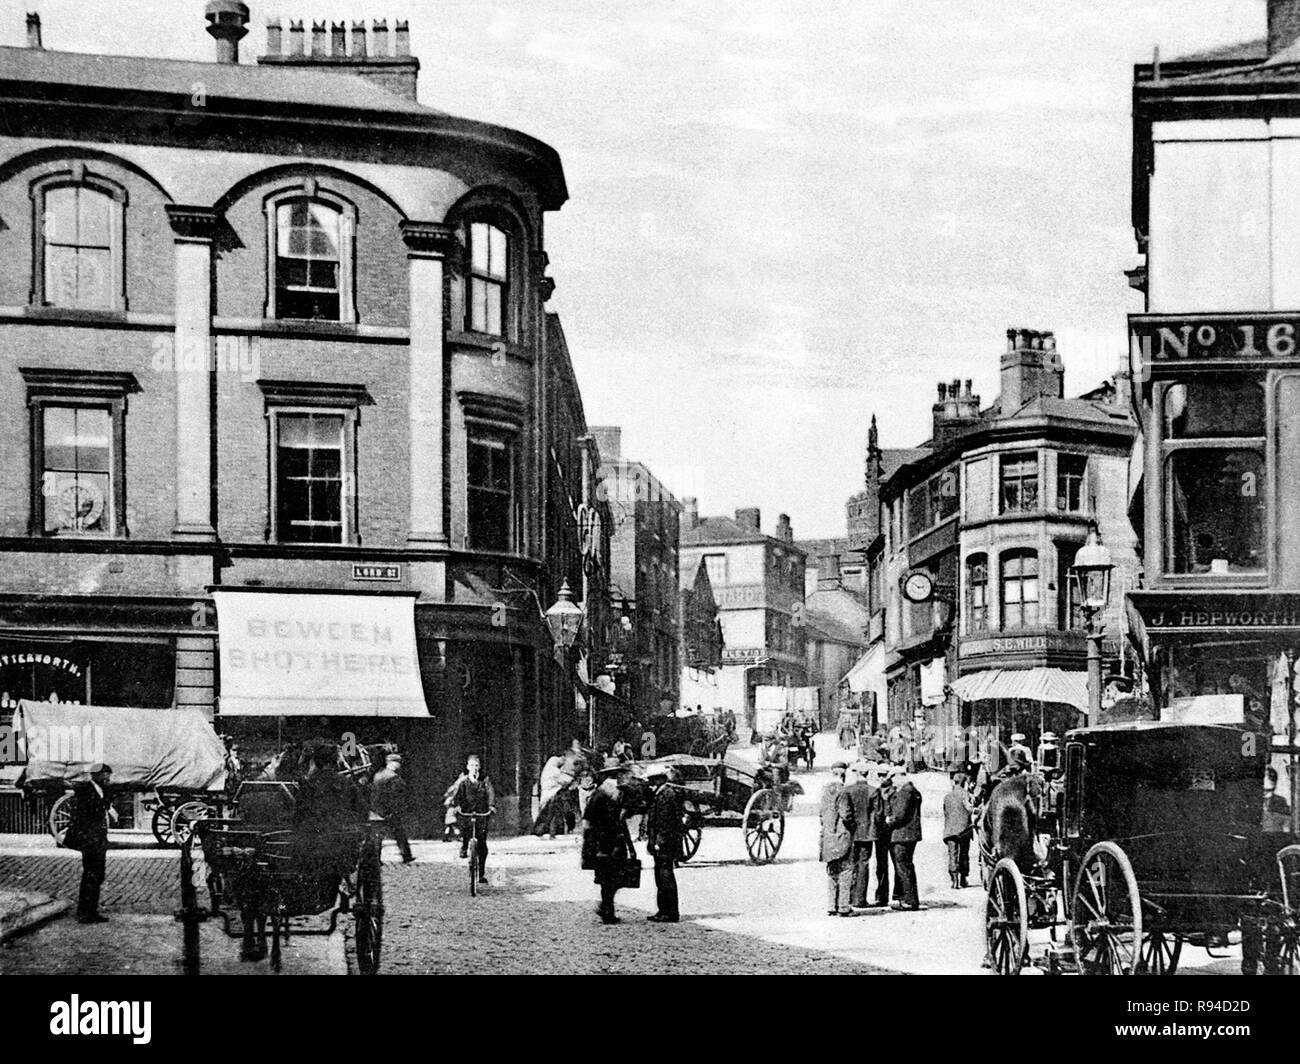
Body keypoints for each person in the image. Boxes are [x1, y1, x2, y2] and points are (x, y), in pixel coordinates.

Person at [581, 776, 635, 924]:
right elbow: (589, 822)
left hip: (612, 842)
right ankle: (607, 911)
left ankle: (606, 907)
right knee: (608, 878)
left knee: (613, 878)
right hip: (605, 843)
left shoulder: (610, 796)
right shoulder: (600, 797)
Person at [67, 763, 116, 924]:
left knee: (97, 874)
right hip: (89, 840)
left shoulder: (101, 789)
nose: (108, 778)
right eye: (105, 775)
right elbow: (92, 811)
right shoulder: (85, 790)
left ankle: (90, 910)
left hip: (98, 840)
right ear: (96, 776)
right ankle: (85, 912)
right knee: (91, 874)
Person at [447, 755, 495, 883]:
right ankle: (463, 846)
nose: (474, 768)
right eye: (472, 765)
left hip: (481, 813)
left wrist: (491, 805)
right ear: (468, 767)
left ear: (479, 767)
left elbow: (490, 793)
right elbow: (457, 796)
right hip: (467, 813)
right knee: (465, 831)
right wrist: (456, 806)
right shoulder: (463, 782)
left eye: (477, 766)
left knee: (483, 846)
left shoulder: (484, 781)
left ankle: (481, 874)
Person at [646, 768, 685, 922]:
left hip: (665, 843)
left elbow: (665, 822)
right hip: (663, 842)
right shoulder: (662, 793)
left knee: (665, 876)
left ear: (659, 779)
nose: (650, 784)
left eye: (652, 780)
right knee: (660, 876)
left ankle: (670, 913)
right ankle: (663, 910)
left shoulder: (666, 795)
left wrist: (659, 842)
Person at [841, 761, 879, 909]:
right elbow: (878, 814)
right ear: (867, 774)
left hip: (853, 833)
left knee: (851, 864)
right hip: (868, 833)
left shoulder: (848, 790)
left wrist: (851, 827)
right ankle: (860, 899)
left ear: (856, 773)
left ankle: (848, 897)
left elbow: (846, 814)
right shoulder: (873, 791)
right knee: (864, 864)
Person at [885, 764, 922, 910]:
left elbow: (900, 815)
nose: (892, 782)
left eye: (893, 779)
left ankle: (909, 900)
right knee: (907, 866)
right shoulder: (913, 790)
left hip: (902, 834)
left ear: (899, 776)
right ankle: (909, 899)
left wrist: (890, 820)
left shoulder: (904, 792)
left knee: (903, 867)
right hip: (910, 834)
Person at [820, 760, 854, 916]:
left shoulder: (825, 791)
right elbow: (845, 814)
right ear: (843, 775)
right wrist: (854, 825)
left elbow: (821, 814)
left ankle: (831, 906)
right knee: (846, 870)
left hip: (827, 836)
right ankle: (844, 907)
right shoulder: (843, 791)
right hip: (842, 836)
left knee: (832, 871)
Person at [371, 753, 415, 863]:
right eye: (398, 763)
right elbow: (397, 795)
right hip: (390, 810)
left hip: (377, 810)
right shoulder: (393, 777)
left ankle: (376, 858)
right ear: (393, 763)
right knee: (399, 833)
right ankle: (406, 855)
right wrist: (396, 809)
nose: (400, 765)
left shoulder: (378, 775)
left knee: (378, 836)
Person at [943, 770, 973, 889]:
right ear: (964, 783)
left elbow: (945, 812)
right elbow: (969, 809)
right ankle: (963, 879)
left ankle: (954, 880)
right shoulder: (966, 794)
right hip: (964, 830)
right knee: (964, 854)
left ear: (954, 783)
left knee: (952, 854)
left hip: (950, 830)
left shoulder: (947, 796)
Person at [534, 753, 573, 839]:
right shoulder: (554, 770)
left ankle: (547, 833)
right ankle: (551, 833)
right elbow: (566, 780)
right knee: (553, 816)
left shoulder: (546, 770)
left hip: (545, 796)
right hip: (552, 795)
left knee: (547, 816)